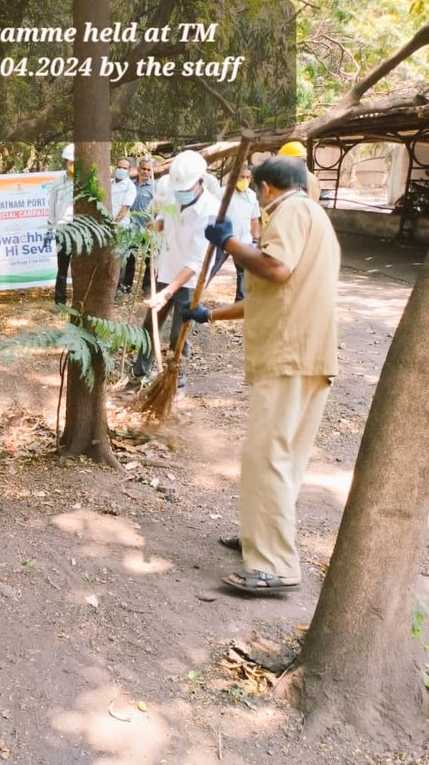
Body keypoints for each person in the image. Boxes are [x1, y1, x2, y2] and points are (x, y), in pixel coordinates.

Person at [185, 155, 339, 595]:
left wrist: (230, 244)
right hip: (308, 355)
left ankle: (274, 564)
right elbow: (273, 294)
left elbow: (275, 267)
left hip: (289, 356)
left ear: (267, 189)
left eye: (256, 191)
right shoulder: (317, 219)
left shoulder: (291, 212)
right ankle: (262, 536)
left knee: (266, 456)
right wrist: (209, 315)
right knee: (285, 458)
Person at [129, 150, 219, 389]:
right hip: (166, 271)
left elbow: (196, 261)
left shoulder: (209, 210)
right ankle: (139, 375)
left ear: (200, 181)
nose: (181, 193)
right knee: (150, 327)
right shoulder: (173, 196)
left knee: (179, 334)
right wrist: (152, 226)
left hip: (189, 282)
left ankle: (176, 384)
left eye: (186, 188)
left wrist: (167, 292)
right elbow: (164, 223)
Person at [224, 164, 261, 301]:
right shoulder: (223, 193)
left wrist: (255, 240)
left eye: (247, 177)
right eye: (242, 177)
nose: (245, 180)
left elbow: (254, 219)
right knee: (210, 269)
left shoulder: (252, 196)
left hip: (243, 240)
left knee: (243, 272)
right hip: (222, 239)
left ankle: (241, 301)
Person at [119, 157, 155, 293]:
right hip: (131, 228)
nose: (145, 172)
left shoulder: (153, 188)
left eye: (148, 170)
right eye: (143, 169)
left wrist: (153, 221)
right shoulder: (130, 185)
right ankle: (126, 287)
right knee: (130, 258)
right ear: (138, 169)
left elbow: (158, 206)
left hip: (147, 228)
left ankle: (146, 288)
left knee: (149, 260)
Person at [47, 143, 75, 304]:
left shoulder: (84, 181)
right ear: (65, 163)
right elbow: (52, 206)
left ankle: (79, 299)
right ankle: (60, 300)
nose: (72, 165)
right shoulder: (58, 182)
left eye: (75, 162)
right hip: (63, 229)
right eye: (70, 162)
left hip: (79, 229)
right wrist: (51, 226)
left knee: (79, 268)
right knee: (62, 268)